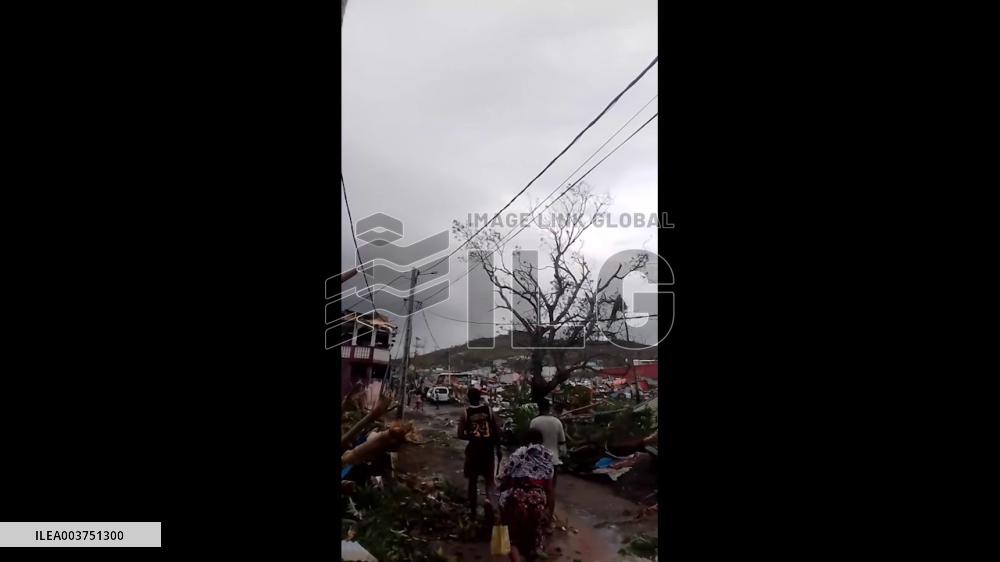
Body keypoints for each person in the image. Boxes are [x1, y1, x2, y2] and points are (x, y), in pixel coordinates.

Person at [498, 429, 555, 562]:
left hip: (518, 497)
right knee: (533, 537)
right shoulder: (547, 458)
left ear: (525, 441)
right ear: (541, 442)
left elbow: (504, 478)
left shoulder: (519, 454)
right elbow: (550, 490)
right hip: (538, 498)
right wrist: (549, 514)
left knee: (514, 538)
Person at [457, 387, 502, 522]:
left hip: (474, 452)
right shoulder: (488, 410)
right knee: (489, 481)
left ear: (468, 398)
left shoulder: (465, 413)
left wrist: (472, 437)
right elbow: (496, 431)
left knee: (473, 481)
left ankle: (473, 512)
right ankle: (491, 509)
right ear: (480, 397)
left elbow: (460, 434)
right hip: (488, 451)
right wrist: (498, 450)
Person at [529, 399, 566, 521]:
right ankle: (549, 518)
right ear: (549, 408)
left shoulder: (534, 422)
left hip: (536, 459)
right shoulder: (557, 422)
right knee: (550, 490)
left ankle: (536, 514)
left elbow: (530, 441)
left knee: (535, 488)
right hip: (553, 460)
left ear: (539, 408)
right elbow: (562, 443)